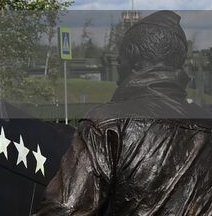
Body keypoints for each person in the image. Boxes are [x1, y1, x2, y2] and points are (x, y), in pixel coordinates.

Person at [36, 11, 212, 215]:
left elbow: (65, 209)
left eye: (120, 55)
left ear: (132, 52)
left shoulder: (106, 123)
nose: (117, 62)